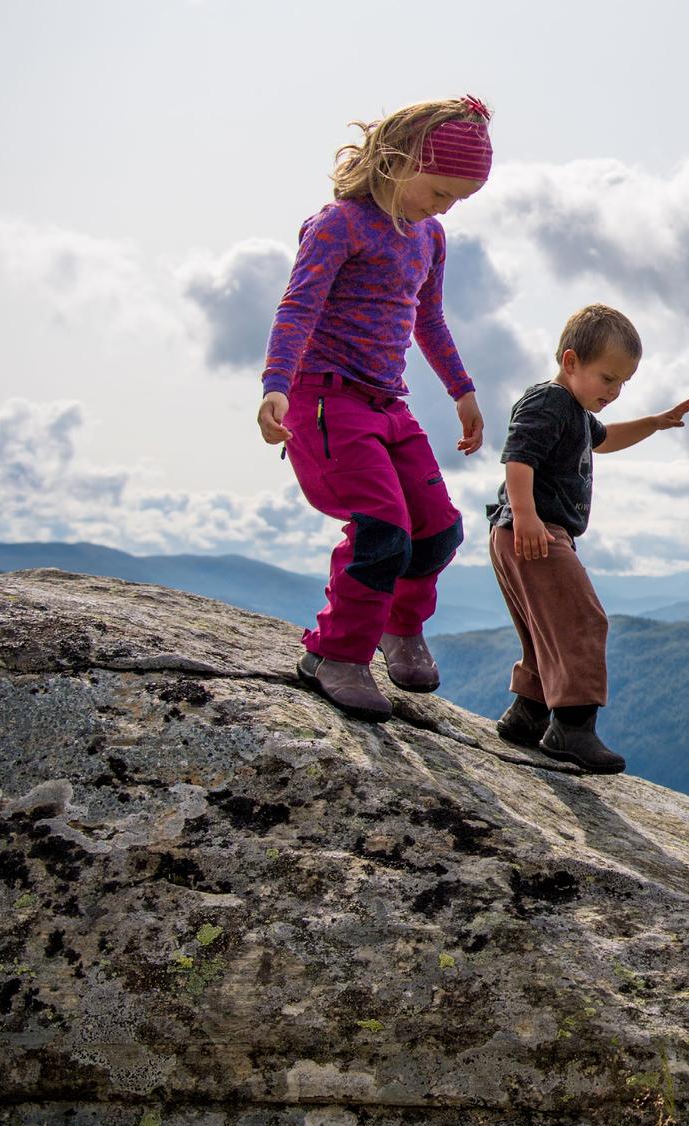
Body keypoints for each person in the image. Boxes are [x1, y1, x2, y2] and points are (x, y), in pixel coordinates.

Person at [257, 95, 493, 723]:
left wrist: (462, 389)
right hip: (326, 399)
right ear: (399, 160)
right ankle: (334, 655)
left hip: (389, 404)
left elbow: (428, 317)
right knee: (381, 531)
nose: (444, 208)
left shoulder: (429, 237)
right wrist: (277, 383)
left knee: (437, 528)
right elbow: (298, 307)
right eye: (440, 191)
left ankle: (399, 628)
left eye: (457, 200)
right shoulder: (339, 224)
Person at [487, 304, 689, 773]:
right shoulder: (550, 401)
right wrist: (526, 517)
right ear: (570, 362)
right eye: (608, 379)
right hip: (535, 531)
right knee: (582, 620)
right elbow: (518, 456)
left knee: (544, 628)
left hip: (522, 531)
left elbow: (604, 441)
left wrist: (656, 422)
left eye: (624, 383)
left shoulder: (577, 414)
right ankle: (572, 729)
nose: (615, 391)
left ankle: (527, 715)